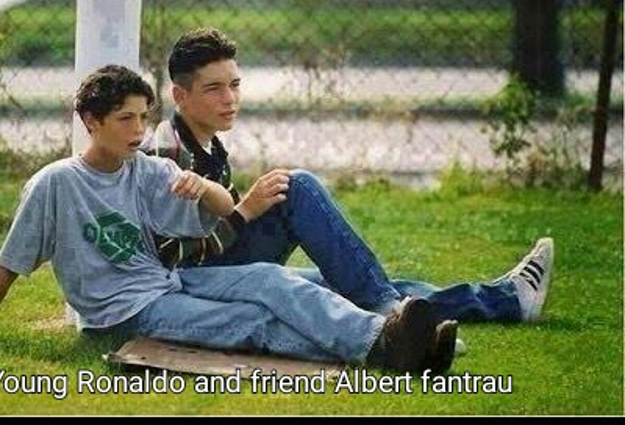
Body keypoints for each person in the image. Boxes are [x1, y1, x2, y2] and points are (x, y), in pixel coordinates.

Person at [0, 64, 458, 374]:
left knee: (272, 279)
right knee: (253, 321)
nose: (139, 130)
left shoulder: (145, 168)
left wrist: (202, 186)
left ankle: (390, 337)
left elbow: (227, 210)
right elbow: (9, 265)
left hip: (168, 283)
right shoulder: (55, 184)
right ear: (90, 121)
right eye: (125, 119)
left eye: (143, 117)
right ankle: (385, 349)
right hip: (121, 316)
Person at [141, 27, 554, 328]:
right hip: (197, 281)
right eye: (214, 89)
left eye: (234, 84)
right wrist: (245, 212)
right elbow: (171, 258)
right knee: (299, 187)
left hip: (222, 262)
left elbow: (213, 221)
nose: (230, 98)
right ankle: (388, 311)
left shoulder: (205, 144)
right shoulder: (168, 154)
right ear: (180, 96)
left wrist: (244, 211)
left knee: (349, 281)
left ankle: (506, 300)